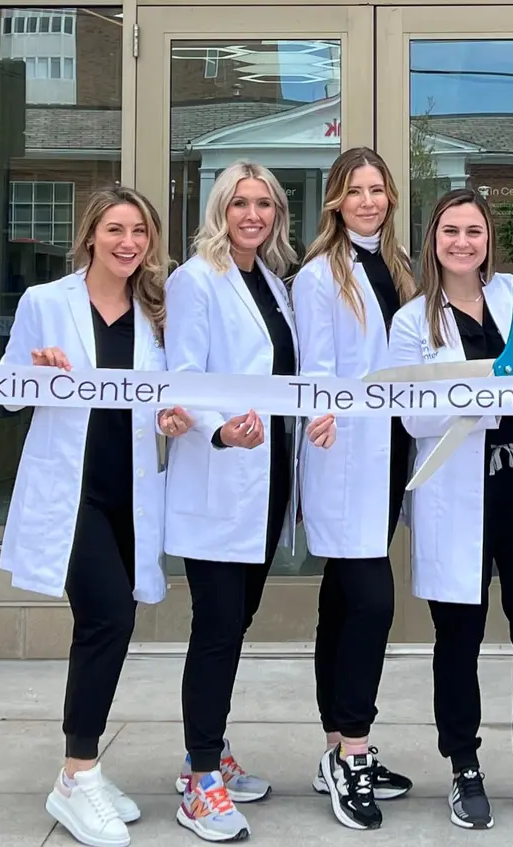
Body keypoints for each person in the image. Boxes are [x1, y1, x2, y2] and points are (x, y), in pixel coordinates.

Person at [388, 187, 513, 833]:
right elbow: (412, 414)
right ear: (433, 239)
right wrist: (485, 389)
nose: (462, 242)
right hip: (458, 498)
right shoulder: (413, 321)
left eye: (474, 230)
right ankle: (464, 765)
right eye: (451, 230)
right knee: (458, 640)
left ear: (488, 239)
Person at [0, 185, 185, 847]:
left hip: (128, 491)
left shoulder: (156, 313)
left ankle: (83, 769)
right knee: (108, 616)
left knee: (113, 619)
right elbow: (6, 392)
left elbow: (163, 401)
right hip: (69, 491)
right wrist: (35, 369)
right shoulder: (45, 302)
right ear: (90, 236)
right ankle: (78, 772)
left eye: (139, 231)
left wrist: (173, 416)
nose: (128, 242)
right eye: (115, 229)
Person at [164, 161, 335, 843]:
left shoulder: (272, 282)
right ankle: (201, 780)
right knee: (216, 628)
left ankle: (206, 751)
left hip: (265, 485)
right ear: (220, 210)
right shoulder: (194, 279)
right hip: (221, 475)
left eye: (265, 204)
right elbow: (182, 375)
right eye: (241, 203)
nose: (254, 215)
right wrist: (220, 430)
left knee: (235, 624)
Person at [292, 148, 417, 831]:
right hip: (342, 453)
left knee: (341, 602)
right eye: (355, 190)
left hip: (390, 451)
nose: (368, 201)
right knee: (370, 602)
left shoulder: (400, 268)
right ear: (335, 200)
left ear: (390, 197)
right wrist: (321, 414)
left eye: (378, 189)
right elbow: (316, 366)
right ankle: (353, 752)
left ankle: (335, 746)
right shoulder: (320, 274)